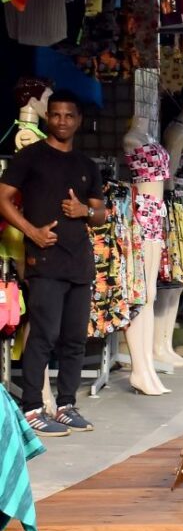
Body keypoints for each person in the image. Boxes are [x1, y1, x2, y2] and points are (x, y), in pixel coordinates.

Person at [0, 90, 106, 436]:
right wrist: (32, 232)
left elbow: (100, 214)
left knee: (75, 338)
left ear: (78, 120)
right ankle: (32, 406)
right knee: (43, 335)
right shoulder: (30, 157)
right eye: (56, 115)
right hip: (44, 259)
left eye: (68, 116)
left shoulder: (87, 165)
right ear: (48, 117)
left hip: (80, 262)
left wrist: (84, 212)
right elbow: (2, 199)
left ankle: (65, 405)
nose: (62, 121)